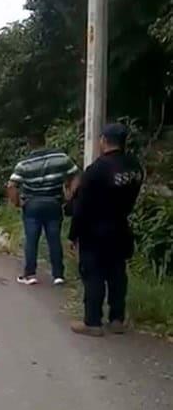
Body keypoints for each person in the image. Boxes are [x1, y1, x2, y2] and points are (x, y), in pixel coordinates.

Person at [68, 123, 143, 337]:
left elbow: (82, 207)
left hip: (95, 230)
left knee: (93, 275)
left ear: (103, 140)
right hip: (121, 226)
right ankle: (117, 319)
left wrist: (73, 235)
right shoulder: (134, 167)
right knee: (117, 273)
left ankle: (93, 322)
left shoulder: (97, 170)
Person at [7, 131, 79, 286]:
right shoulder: (60, 158)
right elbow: (75, 175)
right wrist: (70, 194)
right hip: (53, 203)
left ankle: (30, 274)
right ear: (44, 141)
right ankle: (58, 275)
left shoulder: (24, 164)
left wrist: (18, 203)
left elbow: (12, 186)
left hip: (32, 205)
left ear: (29, 145)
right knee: (54, 239)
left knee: (32, 240)